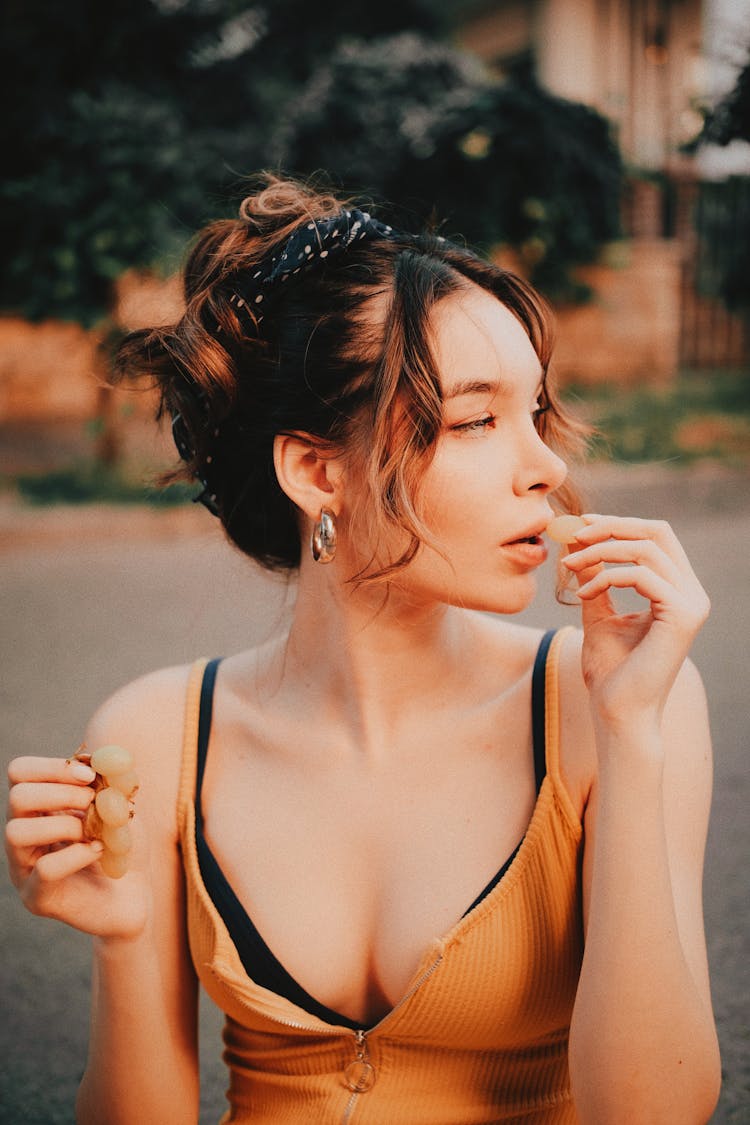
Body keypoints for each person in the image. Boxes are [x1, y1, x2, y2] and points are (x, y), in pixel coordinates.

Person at [6, 174, 721, 1125]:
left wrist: (631, 738)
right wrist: (120, 937)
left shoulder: (619, 703)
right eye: (476, 420)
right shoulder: (161, 734)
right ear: (316, 471)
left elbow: (654, 1114)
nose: (547, 466)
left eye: (536, 412)